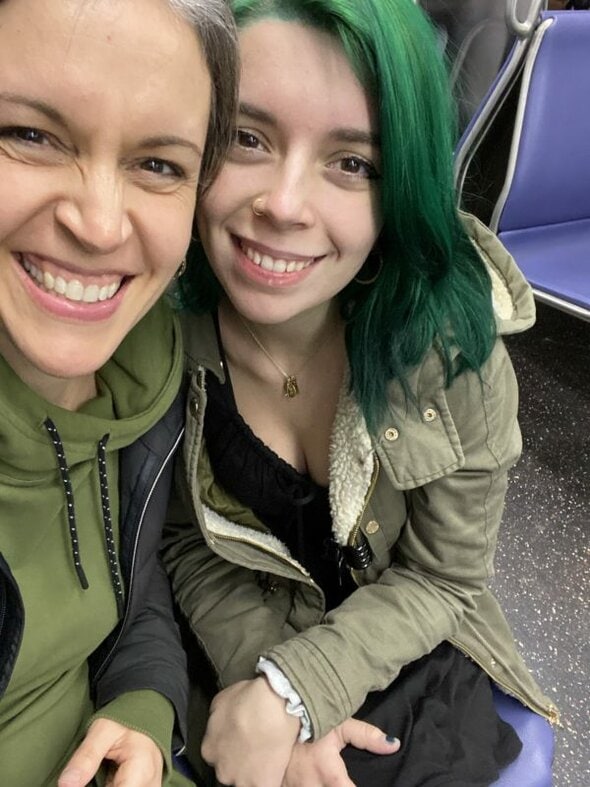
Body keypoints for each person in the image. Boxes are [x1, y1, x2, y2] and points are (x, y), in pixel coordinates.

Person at [163, 0, 558, 785]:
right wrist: (269, 688)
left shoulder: (450, 349)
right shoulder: (163, 329)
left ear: (398, 187)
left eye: (352, 163)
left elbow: (445, 576)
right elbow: (181, 540)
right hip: (236, 630)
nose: (282, 203)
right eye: (248, 137)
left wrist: (299, 690)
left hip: (398, 635)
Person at [0, 0, 237, 785]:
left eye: (159, 164)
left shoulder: (145, 374)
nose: (100, 224)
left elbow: (133, 597)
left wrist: (141, 708)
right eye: (29, 134)